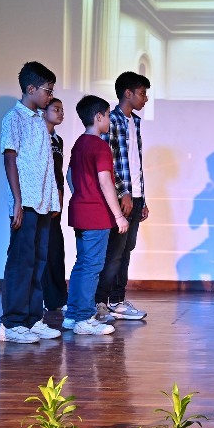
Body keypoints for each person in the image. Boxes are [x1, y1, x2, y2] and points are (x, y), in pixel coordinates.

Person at [0, 61, 62, 344]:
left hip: (43, 202)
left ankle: (33, 319)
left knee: (39, 262)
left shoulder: (40, 120)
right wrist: (17, 201)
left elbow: (45, 164)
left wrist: (53, 199)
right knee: (21, 263)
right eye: (47, 90)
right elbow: (10, 159)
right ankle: (12, 323)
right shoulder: (14, 118)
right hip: (25, 203)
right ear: (31, 88)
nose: (50, 96)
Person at [62, 96, 130, 335]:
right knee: (92, 266)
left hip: (80, 211)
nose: (109, 120)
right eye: (108, 115)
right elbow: (105, 181)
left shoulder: (79, 143)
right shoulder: (100, 146)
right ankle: (83, 318)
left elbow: (69, 175)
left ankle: (72, 315)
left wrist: (82, 194)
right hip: (96, 215)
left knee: (82, 264)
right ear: (98, 117)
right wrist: (119, 216)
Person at [95, 72, 151, 322]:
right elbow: (107, 162)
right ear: (128, 93)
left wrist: (142, 198)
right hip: (121, 197)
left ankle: (117, 300)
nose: (145, 99)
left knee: (127, 250)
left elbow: (135, 164)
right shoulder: (113, 121)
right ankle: (100, 302)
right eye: (142, 93)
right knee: (114, 252)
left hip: (135, 197)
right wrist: (123, 193)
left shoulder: (134, 122)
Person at [41, 97, 68, 313]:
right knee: (43, 250)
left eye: (62, 110)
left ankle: (57, 299)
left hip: (56, 201)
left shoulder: (58, 140)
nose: (60, 113)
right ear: (44, 111)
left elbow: (58, 171)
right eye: (56, 109)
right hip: (41, 200)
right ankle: (43, 297)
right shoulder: (38, 136)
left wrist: (60, 193)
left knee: (56, 250)